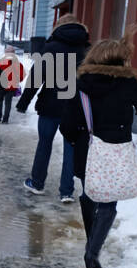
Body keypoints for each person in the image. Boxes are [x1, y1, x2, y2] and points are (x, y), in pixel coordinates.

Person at [59, 38, 137, 268]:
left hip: (88, 147)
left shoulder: (80, 82)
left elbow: (67, 124)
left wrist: (78, 139)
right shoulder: (128, 83)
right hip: (116, 148)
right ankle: (92, 253)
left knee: (89, 194)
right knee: (108, 203)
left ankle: (90, 241)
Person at [18, 14, 90, 203]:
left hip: (50, 105)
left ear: (58, 27)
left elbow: (36, 77)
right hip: (76, 108)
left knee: (44, 144)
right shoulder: (87, 50)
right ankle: (66, 191)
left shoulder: (50, 48)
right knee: (71, 148)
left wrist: (24, 102)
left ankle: (37, 183)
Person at [0, 48, 25, 124]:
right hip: (12, 87)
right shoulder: (18, 64)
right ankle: (5, 119)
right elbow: (21, 76)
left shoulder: (1, 62)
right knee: (8, 103)